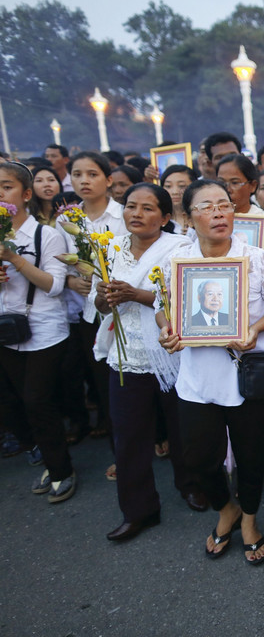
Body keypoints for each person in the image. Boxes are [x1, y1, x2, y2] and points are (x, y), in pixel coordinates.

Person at [157, 179, 264, 565]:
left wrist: (254, 328)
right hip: (198, 378)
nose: (218, 213)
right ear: (188, 217)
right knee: (198, 456)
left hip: (246, 375)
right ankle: (225, 509)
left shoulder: (256, 258)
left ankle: (248, 518)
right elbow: (160, 304)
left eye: (224, 205)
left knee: (251, 454)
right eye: (207, 206)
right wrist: (166, 327)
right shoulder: (176, 262)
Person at [93, 183, 201, 540]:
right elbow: (100, 304)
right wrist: (105, 298)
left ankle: (191, 485)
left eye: (147, 208)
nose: (136, 214)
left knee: (181, 428)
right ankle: (138, 510)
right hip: (126, 357)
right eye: (130, 206)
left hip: (170, 352)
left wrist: (137, 295)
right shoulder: (109, 248)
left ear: (166, 217)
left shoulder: (181, 248)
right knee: (129, 437)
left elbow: (184, 297)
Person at [0, 161, 75, 502]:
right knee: (21, 401)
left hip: (44, 327)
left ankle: (61, 470)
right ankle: (48, 457)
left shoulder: (46, 234)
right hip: (7, 330)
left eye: (6, 187)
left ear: (25, 194)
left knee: (37, 400)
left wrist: (13, 260)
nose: (0, 195)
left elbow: (55, 285)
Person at [63, 152, 130, 454]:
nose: (84, 181)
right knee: (105, 382)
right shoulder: (67, 219)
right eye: (77, 174)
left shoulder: (124, 214)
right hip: (90, 313)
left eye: (92, 174)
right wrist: (70, 280)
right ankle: (121, 450)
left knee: (134, 381)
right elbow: (63, 265)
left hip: (125, 306)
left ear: (108, 179)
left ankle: (151, 437)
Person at [215, 154, 264, 261]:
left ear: (253, 186)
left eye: (235, 182)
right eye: (221, 182)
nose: (227, 189)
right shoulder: (209, 218)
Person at [160, 164, 198, 235]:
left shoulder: (201, 217)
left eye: (181, 186)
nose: (174, 192)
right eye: (168, 186)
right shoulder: (158, 220)